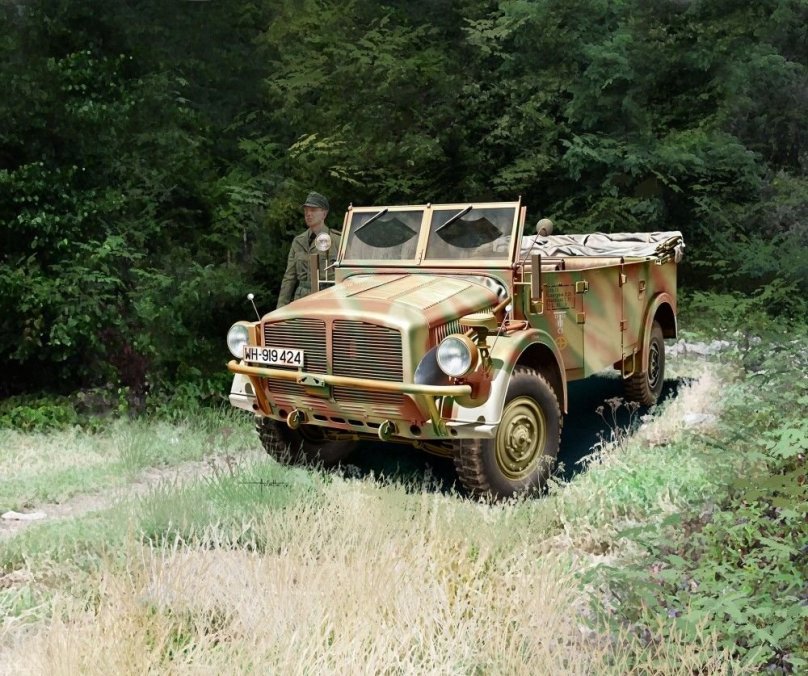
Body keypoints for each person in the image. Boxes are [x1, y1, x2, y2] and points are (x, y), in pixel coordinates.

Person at [276, 191, 341, 308]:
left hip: (328, 299)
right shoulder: (298, 242)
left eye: (313, 210)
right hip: (302, 300)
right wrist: (281, 307)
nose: (308, 214)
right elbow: (289, 277)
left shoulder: (337, 241)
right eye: (306, 211)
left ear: (324, 214)